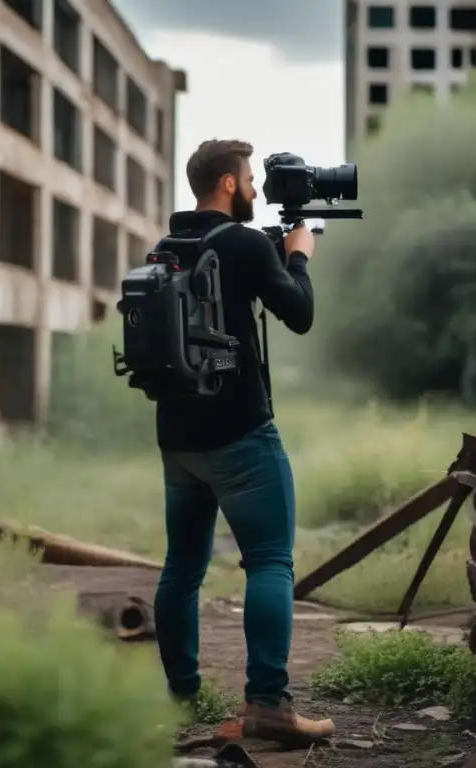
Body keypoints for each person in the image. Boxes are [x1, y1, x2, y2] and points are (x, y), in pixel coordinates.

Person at [152, 139, 335, 746]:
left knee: (182, 567)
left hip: (178, 439)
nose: (257, 190)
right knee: (270, 563)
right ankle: (268, 706)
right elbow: (300, 313)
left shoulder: (167, 246)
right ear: (228, 185)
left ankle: (181, 691)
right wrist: (299, 256)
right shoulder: (245, 243)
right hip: (240, 438)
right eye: (251, 180)